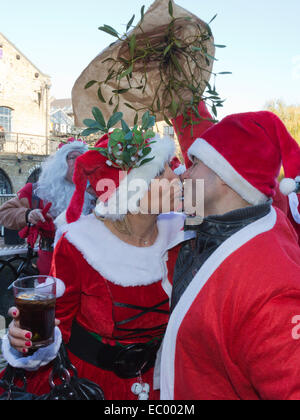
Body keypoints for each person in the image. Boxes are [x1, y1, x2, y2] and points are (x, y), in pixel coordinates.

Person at [1, 131, 194, 400]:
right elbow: (54, 329)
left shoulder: (182, 236)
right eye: (161, 173)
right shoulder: (80, 244)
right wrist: (25, 340)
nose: (177, 178)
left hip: (166, 381)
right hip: (94, 387)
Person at [160, 111, 300, 400]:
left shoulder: (270, 289)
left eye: (195, 163)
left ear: (226, 176)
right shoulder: (223, 230)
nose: (184, 173)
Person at [0, 138, 94, 275]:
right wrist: (28, 214)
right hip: (51, 265)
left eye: (83, 158)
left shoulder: (94, 191)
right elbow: (4, 213)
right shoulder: (38, 191)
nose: (79, 161)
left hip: (87, 263)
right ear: (60, 163)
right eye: (73, 157)